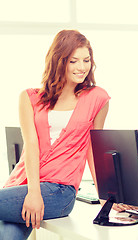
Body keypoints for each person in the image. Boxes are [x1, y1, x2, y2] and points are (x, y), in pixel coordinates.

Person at [0, 30, 110, 240]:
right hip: (22, 186)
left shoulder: (98, 98)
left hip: (59, 191)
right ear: (59, 61)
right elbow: (31, 145)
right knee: (7, 236)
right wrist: (33, 192)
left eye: (86, 60)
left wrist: (105, 197)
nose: (82, 67)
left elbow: (93, 150)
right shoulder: (29, 98)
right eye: (73, 61)